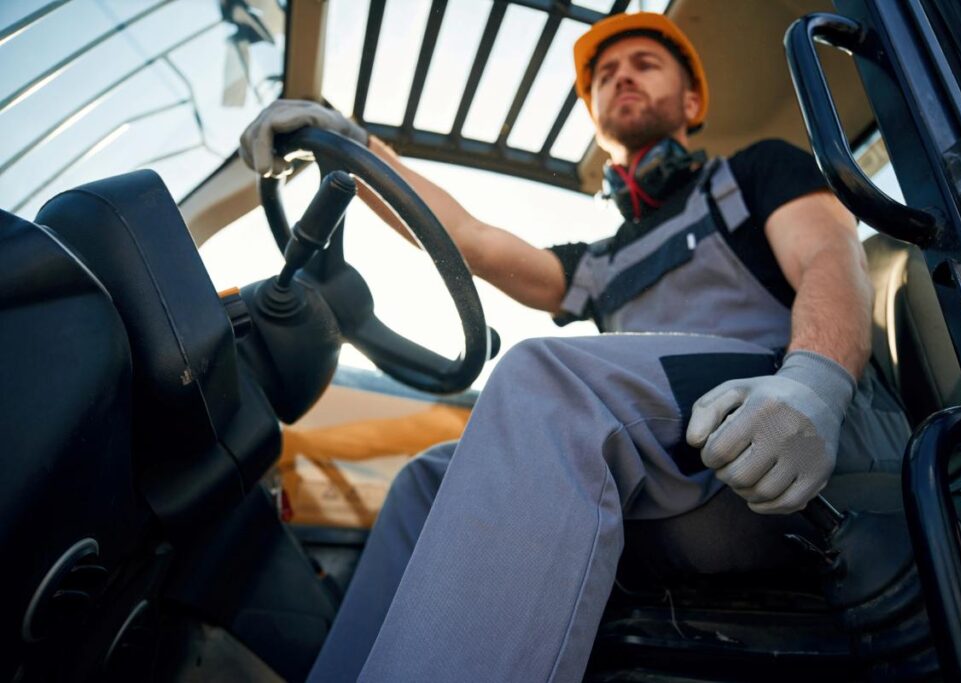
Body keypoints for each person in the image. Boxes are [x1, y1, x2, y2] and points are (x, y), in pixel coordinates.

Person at [240, 12, 910, 682]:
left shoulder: (757, 172)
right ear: (595, 121)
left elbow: (830, 254)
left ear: (692, 102)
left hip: (792, 417)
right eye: (605, 77)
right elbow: (470, 237)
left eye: (645, 64)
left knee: (544, 380)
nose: (622, 77)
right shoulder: (600, 261)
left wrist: (815, 383)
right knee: (428, 479)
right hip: (674, 450)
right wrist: (353, 147)